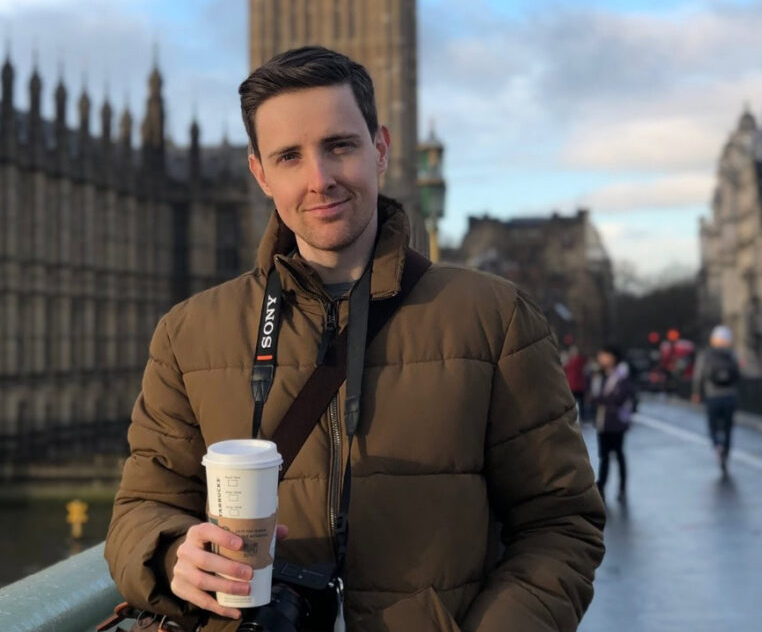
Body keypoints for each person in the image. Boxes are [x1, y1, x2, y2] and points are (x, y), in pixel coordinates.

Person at [104, 46, 605, 631]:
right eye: (289, 157)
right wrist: (172, 555)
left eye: (339, 146)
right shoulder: (188, 335)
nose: (320, 179)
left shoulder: (496, 319)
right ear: (260, 174)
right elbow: (141, 510)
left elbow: (561, 523)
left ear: (381, 149)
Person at [691, 325, 741, 475]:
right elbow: (738, 375)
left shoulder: (706, 355)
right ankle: (725, 453)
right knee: (728, 428)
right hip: (729, 396)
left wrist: (696, 393)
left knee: (712, 426)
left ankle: (717, 446)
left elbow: (699, 375)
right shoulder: (731, 355)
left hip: (712, 396)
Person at [589, 346, 632, 504]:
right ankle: (601, 486)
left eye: (605, 356)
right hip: (602, 421)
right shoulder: (598, 375)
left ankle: (622, 487)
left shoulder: (621, 375)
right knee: (604, 456)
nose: (602, 359)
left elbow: (619, 397)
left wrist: (601, 400)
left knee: (618, 454)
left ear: (613, 357)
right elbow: (592, 396)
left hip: (616, 422)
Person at [563, 345, 589, 423]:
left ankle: (578, 417)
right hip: (576, 386)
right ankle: (580, 417)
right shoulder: (576, 361)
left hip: (575, 386)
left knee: (576, 403)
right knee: (578, 403)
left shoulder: (574, 361)